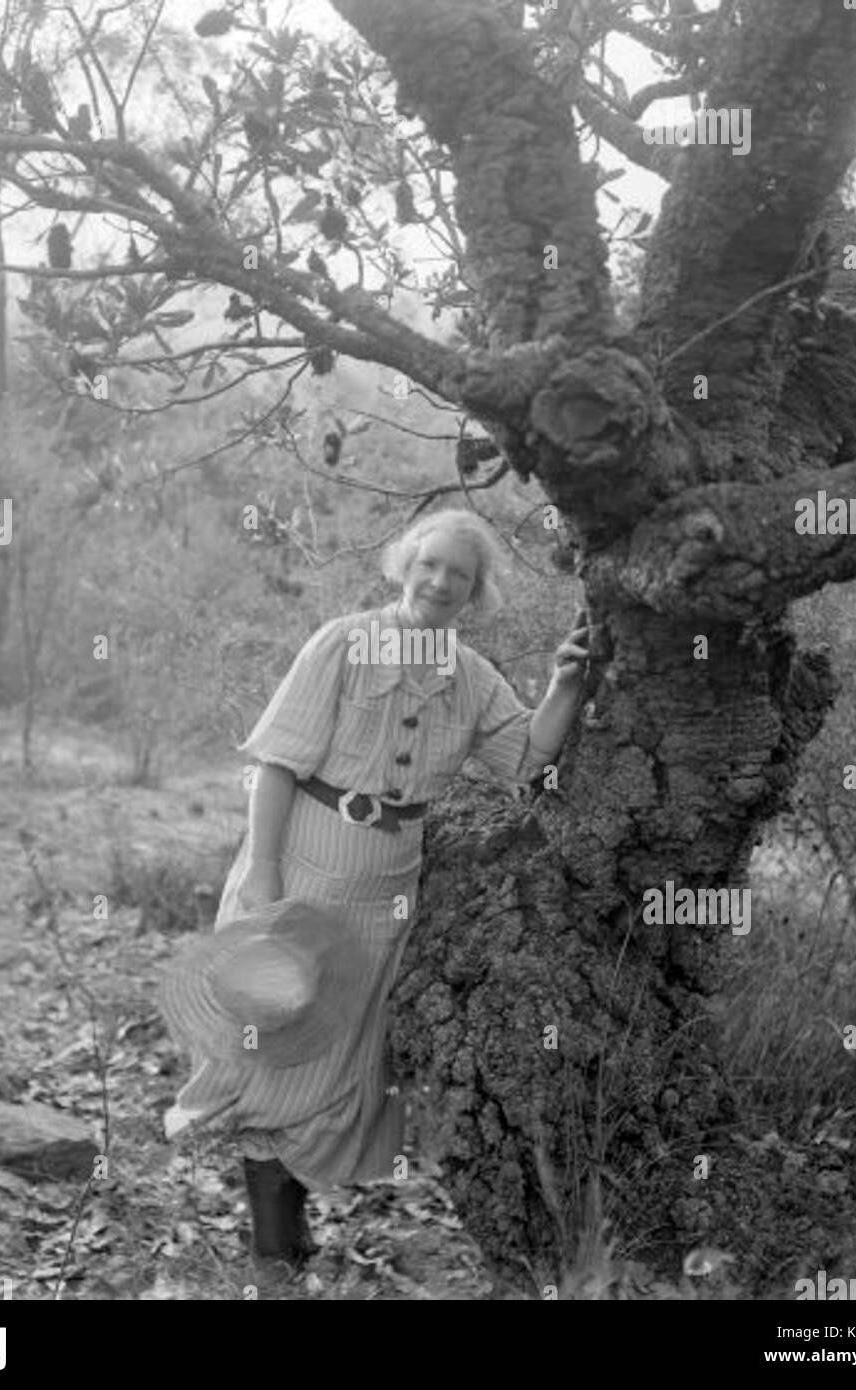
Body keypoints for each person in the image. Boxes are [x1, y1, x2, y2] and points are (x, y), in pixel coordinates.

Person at [164, 507, 588, 1268]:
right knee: (276, 1053)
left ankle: (287, 1235)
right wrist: (262, 873)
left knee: (332, 1069)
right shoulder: (342, 643)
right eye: (429, 564)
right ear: (404, 565)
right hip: (300, 867)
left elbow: (528, 759)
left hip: (384, 892)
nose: (439, 582)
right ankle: (273, 1261)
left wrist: (565, 683)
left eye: (458, 574)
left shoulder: (471, 678)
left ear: (475, 593)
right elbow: (276, 763)